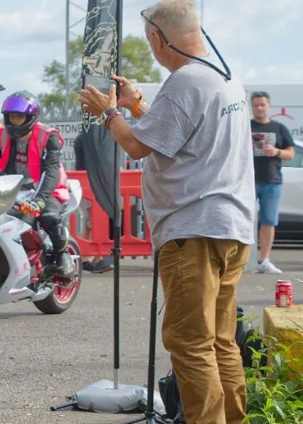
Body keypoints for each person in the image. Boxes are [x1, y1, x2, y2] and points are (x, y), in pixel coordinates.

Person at [78, 1, 254, 423]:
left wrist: (108, 112)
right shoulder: (221, 77)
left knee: (190, 343)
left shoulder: (183, 83)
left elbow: (137, 146)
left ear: (158, 37)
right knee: (220, 341)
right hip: (231, 226)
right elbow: (176, 138)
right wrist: (137, 107)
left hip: (192, 230)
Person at [0, 91, 74, 278]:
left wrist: (39, 200)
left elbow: (51, 171)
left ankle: (63, 256)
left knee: (49, 217)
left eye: (19, 117)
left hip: (49, 190)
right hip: (14, 188)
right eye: (11, 116)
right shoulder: (1, 136)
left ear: (30, 117)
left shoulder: (48, 137)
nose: (14, 121)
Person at [249, 91, 294, 274]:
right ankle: (243, 260)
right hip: (247, 181)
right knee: (245, 221)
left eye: (262, 104)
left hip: (272, 181)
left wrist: (276, 152)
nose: (259, 108)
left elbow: (290, 154)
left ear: (269, 106)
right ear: (251, 107)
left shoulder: (279, 128)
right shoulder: (245, 127)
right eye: (256, 105)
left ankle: (263, 260)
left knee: (269, 221)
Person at [73, 133, 113, 273]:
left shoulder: (85, 138)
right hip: (89, 183)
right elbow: (97, 160)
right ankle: (97, 258)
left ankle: (83, 258)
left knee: (90, 223)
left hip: (87, 183)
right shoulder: (88, 139)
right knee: (92, 221)